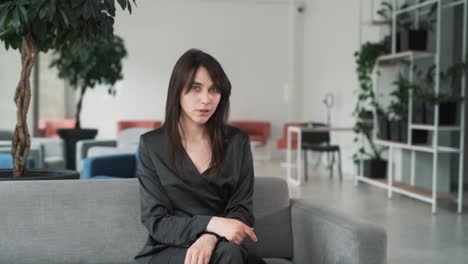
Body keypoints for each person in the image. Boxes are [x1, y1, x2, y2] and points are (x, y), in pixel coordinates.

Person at [134, 49, 266, 264]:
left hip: (225, 245)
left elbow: (241, 209)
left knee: (230, 254)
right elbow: (156, 222)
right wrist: (212, 224)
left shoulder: (237, 141)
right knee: (228, 256)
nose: (206, 99)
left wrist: (210, 236)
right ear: (178, 91)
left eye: (214, 89)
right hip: (170, 248)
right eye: (196, 88)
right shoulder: (151, 145)